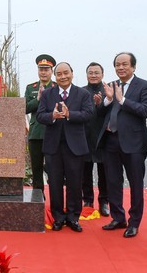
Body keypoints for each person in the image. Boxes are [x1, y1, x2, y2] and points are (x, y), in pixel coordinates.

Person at [98, 52, 147, 238]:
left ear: (134, 67)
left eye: (125, 64)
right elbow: (100, 113)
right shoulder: (111, 85)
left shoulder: (144, 86)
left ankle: (134, 222)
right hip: (110, 140)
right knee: (113, 181)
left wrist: (122, 100)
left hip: (134, 143)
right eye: (117, 65)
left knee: (136, 183)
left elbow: (145, 110)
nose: (121, 68)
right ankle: (118, 217)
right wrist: (107, 100)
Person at [37, 62, 94, 232]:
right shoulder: (48, 94)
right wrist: (52, 116)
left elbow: (89, 114)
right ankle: (58, 217)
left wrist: (70, 115)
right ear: (55, 76)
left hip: (74, 146)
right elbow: (40, 115)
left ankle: (73, 217)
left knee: (75, 183)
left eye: (66, 73)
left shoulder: (82, 93)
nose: (63, 77)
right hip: (53, 146)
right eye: (59, 74)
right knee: (54, 183)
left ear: (72, 73)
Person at [25, 54, 57, 194]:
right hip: (36, 133)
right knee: (36, 167)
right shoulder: (30, 87)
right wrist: (38, 99)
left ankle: (55, 195)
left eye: (46, 69)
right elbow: (24, 108)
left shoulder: (57, 87)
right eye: (41, 69)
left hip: (53, 132)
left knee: (53, 168)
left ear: (52, 71)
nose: (43, 72)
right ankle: (38, 196)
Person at [82, 62, 109, 217]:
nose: (93, 75)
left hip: (103, 137)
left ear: (102, 75)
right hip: (84, 136)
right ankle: (87, 200)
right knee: (85, 171)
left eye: (96, 72)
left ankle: (104, 201)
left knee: (104, 171)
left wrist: (101, 103)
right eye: (90, 72)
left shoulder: (107, 91)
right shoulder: (81, 92)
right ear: (87, 75)